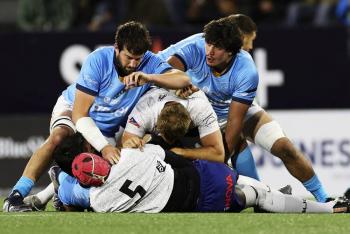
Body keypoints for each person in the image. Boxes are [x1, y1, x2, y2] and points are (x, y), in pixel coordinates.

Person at [3, 21, 190, 212]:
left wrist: (149, 77)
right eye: (129, 57)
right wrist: (104, 147)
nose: (133, 64)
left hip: (109, 126)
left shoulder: (149, 62)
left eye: (138, 59)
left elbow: (183, 79)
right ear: (116, 48)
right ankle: (15, 197)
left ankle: (52, 189)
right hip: (76, 110)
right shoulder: (98, 60)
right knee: (59, 137)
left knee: (103, 171)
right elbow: (80, 114)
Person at [157, 15, 329, 202]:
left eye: (218, 47)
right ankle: (263, 195)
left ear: (231, 52)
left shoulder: (246, 70)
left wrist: (220, 161)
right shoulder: (197, 46)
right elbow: (164, 69)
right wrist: (178, 83)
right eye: (209, 44)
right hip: (198, 113)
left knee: (284, 147)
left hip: (229, 111)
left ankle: (324, 199)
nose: (210, 51)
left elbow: (234, 122)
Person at [46, 133, 350, 213]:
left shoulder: (100, 202)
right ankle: (326, 207)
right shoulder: (128, 155)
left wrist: (59, 185)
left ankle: (324, 207)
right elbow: (164, 154)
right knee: (253, 191)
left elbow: (73, 192)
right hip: (203, 175)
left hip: (193, 201)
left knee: (250, 197)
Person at [121, 87, 225, 162]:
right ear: (157, 125)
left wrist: (183, 153)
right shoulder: (143, 112)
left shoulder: (200, 108)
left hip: (191, 135)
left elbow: (219, 154)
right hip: (151, 126)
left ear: (190, 121)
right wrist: (132, 143)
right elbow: (126, 145)